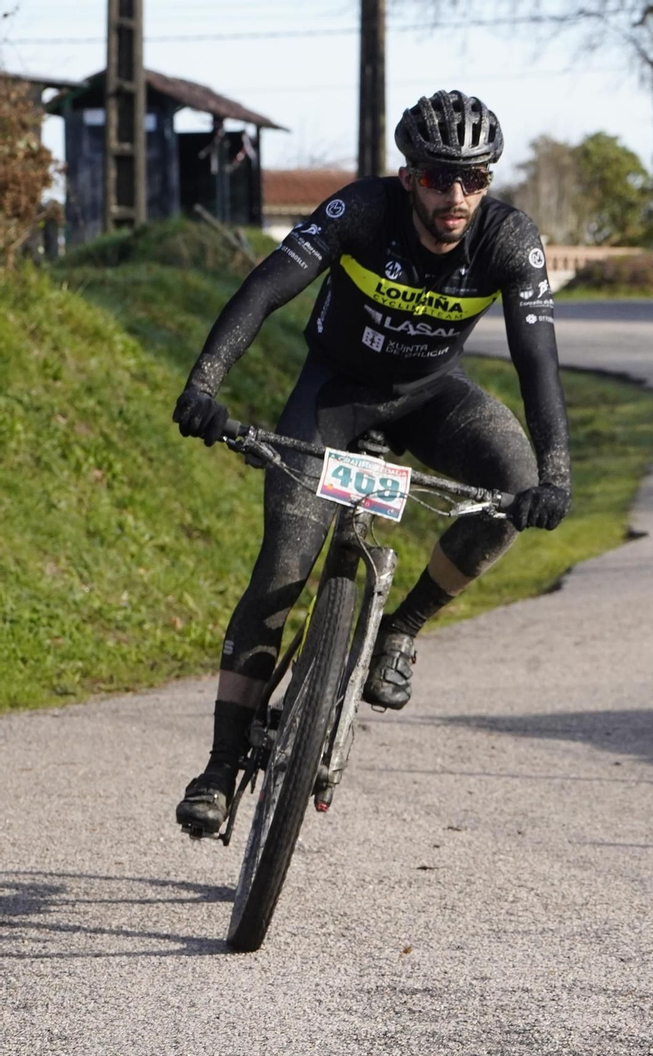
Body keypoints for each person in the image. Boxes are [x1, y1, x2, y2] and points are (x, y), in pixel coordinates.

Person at [173, 91, 571, 838]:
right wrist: (204, 385)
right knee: (283, 570)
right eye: (437, 179)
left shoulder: (511, 242)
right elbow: (264, 290)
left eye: (474, 179)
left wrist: (556, 474)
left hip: (429, 397)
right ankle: (221, 768)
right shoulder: (361, 210)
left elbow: (537, 362)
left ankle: (403, 627)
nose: (456, 197)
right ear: (407, 175)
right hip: (334, 396)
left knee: (514, 486)